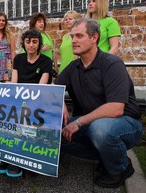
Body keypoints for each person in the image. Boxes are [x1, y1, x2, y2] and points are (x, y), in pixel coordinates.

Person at [54, 18, 142, 188]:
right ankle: (107, 156)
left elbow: (116, 109)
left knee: (100, 130)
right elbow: (52, 89)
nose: (73, 40)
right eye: (72, 36)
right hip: (91, 123)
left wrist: (77, 122)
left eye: (79, 36)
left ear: (94, 38)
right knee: (53, 132)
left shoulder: (111, 64)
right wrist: (60, 101)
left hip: (126, 123)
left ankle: (121, 167)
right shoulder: (73, 67)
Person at [0, 29, 53, 178]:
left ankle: (17, 159)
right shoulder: (18, 59)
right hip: (19, 98)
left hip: (37, 101)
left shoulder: (46, 61)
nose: (31, 45)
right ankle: (3, 155)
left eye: (35, 42)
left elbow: (41, 88)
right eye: (28, 41)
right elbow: (14, 82)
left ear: (39, 44)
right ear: (24, 43)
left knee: (22, 118)